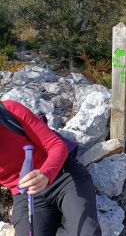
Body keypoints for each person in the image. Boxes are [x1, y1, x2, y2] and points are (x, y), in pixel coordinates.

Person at [0, 100, 102, 236]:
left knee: (86, 232)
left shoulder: (9, 111)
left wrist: (46, 174)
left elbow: (56, 145)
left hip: (64, 176)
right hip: (26, 195)